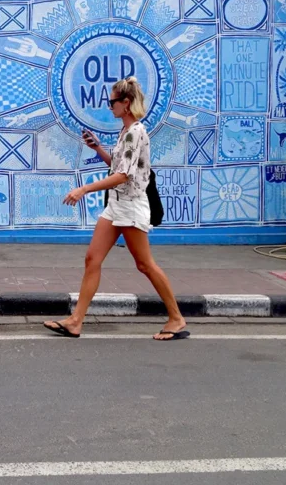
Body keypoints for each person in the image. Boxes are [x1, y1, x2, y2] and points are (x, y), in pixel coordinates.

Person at [44, 77, 189, 341]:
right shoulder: (125, 131)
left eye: (112, 102)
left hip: (131, 206)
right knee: (92, 259)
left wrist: (84, 189)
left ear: (126, 103)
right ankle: (76, 321)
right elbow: (118, 167)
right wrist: (97, 147)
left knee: (145, 265)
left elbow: (123, 176)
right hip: (116, 205)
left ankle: (177, 318)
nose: (109, 106)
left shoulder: (136, 131)